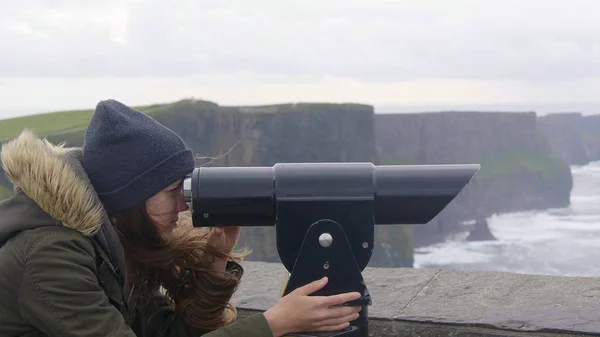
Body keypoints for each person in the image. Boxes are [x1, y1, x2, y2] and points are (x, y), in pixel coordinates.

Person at [0, 99, 363, 337]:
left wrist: (214, 261)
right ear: (131, 197)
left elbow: (167, 333)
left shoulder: (114, 240)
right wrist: (273, 324)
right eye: (172, 191)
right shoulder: (51, 255)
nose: (184, 206)